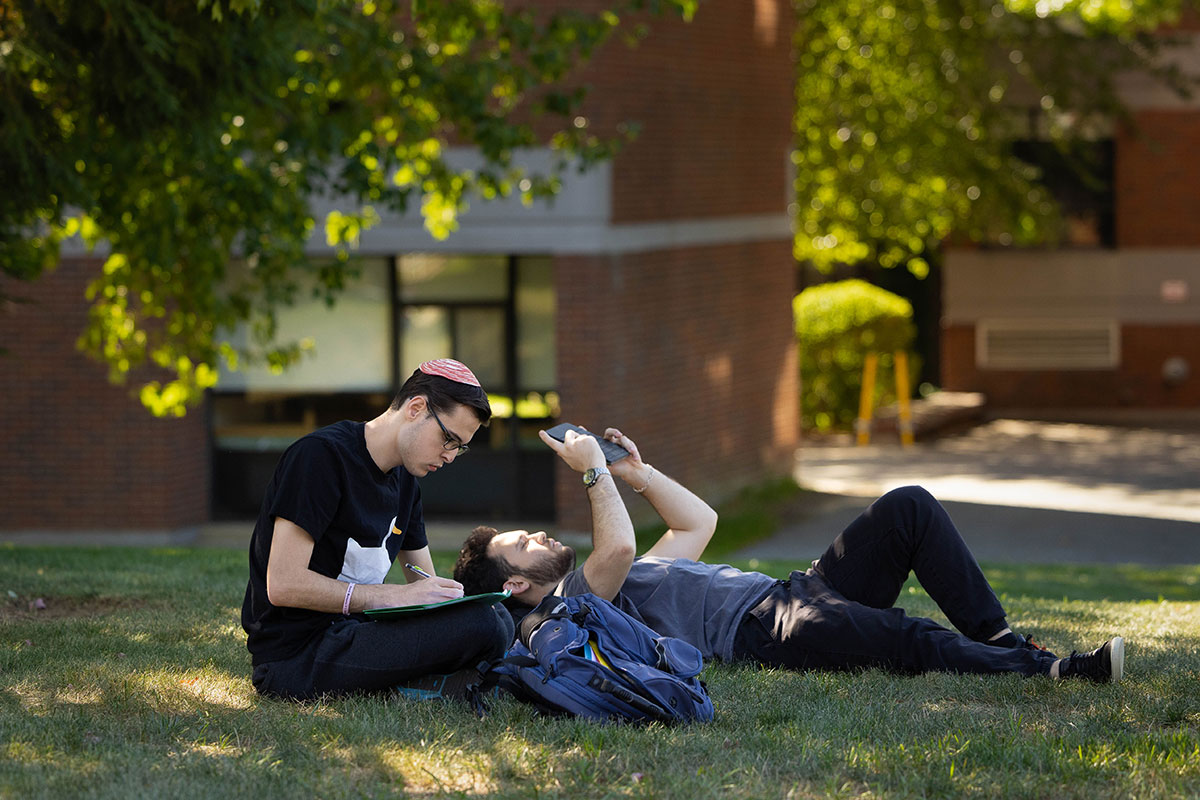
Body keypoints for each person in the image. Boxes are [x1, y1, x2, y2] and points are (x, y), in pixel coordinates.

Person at [454, 426, 1124, 683]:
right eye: (524, 543)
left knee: (908, 505)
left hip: (796, 590)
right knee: (904, 636)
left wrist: (637, 474)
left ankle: (1006, 639)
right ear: (515, 586)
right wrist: (592, 471)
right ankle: (1053, 671)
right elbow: (620, 542)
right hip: (766, 631)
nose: (541, 536)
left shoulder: (626, 577)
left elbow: (699, 523)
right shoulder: (571, 610)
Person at [242, 359, 514, 700]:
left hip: (355, 633)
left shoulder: (406, 484)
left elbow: (423, 583)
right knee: (484, 626)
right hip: (297, 656)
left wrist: (449, 599)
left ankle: (447, 678)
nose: (450, 457)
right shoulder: (320, 457)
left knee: (496, 616)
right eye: (448, 439)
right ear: (416, 408)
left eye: (460, 447)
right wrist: (394, 597)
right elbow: (283, 585)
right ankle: (444, 680)